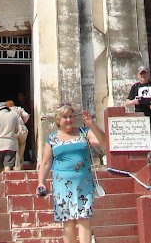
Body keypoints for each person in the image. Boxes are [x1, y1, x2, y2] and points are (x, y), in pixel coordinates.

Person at [37, 104, 108, 243]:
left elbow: (103, 141)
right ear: (58, 119)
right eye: (65, 117)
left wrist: (92, 125)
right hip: (62, 185)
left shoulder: (83, 132)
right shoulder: (52, 139)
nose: (68, 120)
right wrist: (41, 182)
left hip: (84, 183)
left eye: (70, 116)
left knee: (85, 219)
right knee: (68, 221)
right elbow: (45, 163)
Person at [124, 66, 151, 164]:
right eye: (141, 74)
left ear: (148, 74)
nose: (143, 76)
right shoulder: (135, 87)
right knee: (141, 140)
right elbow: (126, 102)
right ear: (138, 75)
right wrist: (134, 101)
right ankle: (144, 162)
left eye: (145, 73)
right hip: (140, 117)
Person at [0, 100, 22, 172]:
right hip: (10, 144)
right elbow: (16, 130)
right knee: (8, 166)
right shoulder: (14, 116)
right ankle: (6, 180)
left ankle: (0, 180)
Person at [6, 99, 30, 170]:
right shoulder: (19, 109)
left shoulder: (8, 111)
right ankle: (20, 163)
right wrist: (23, 122)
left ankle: (17, 167)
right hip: (23, 130)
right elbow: (26, 116)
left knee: (15, 150)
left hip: (14, 131)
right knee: (22, 146)